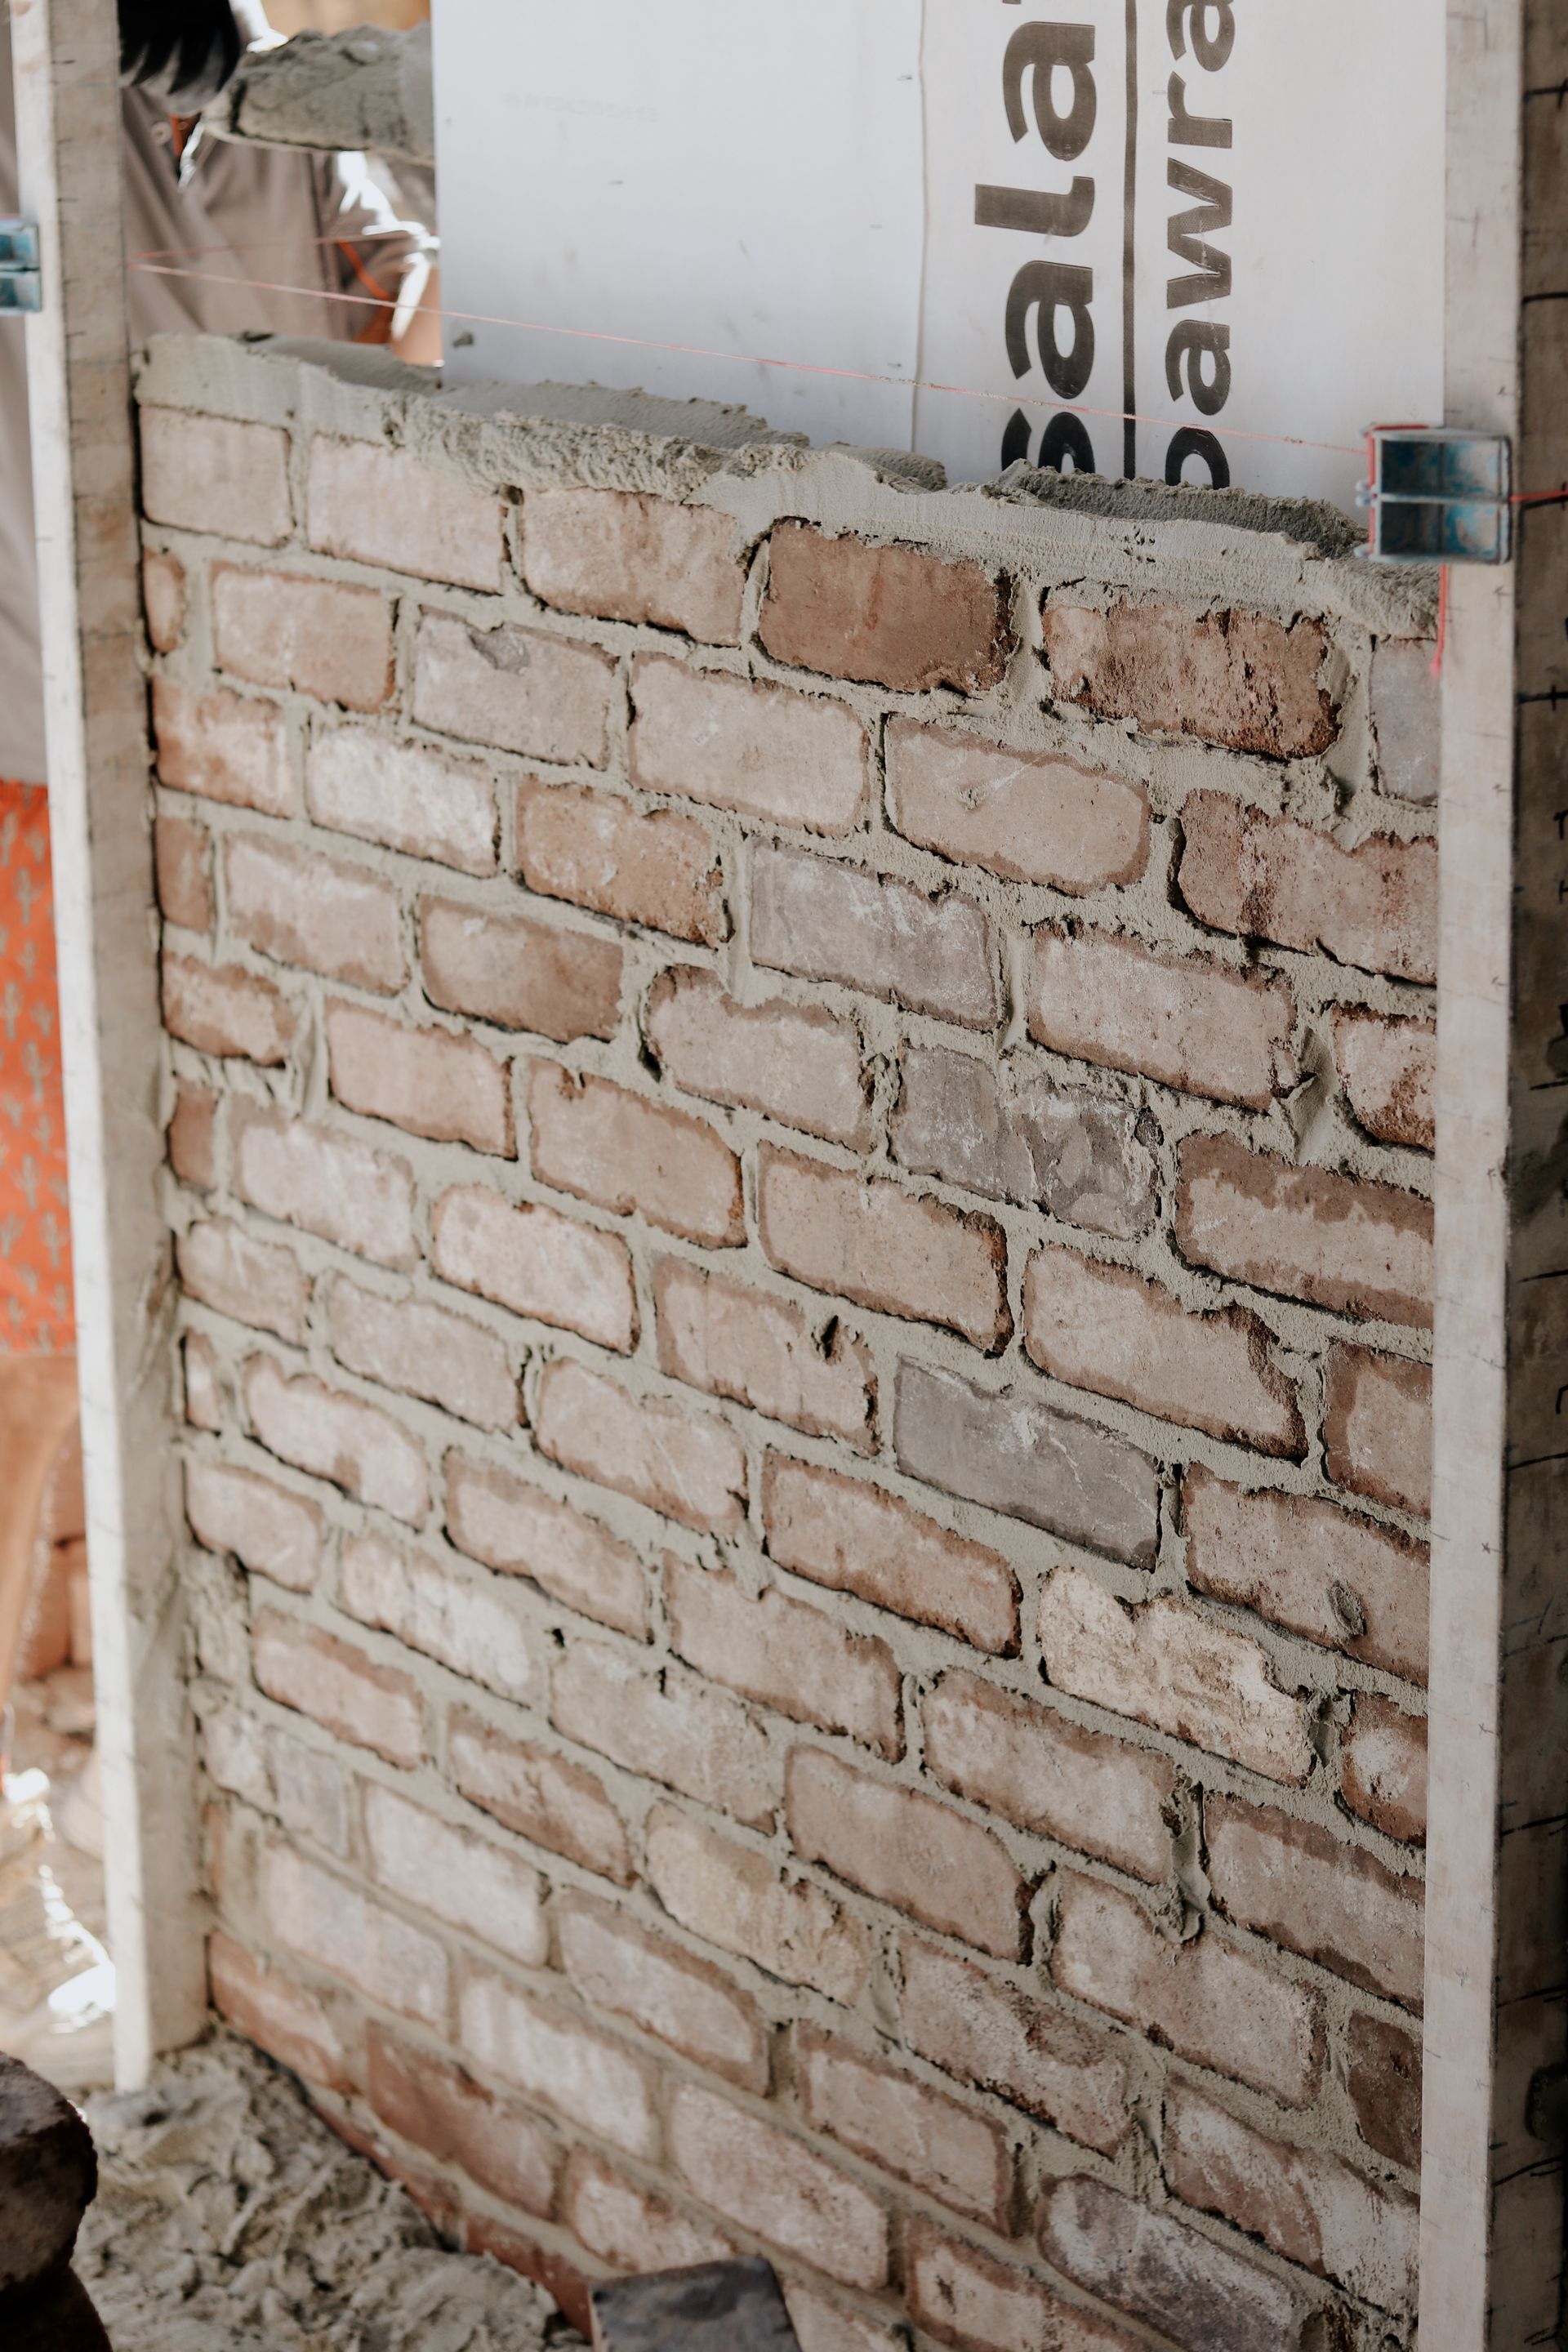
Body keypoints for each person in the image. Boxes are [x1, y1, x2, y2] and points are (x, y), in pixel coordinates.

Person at [0, 0, 434, 2087]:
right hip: (40, 770)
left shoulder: (267, 94)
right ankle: (30, 1806)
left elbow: (447, 270)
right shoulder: (20, 101)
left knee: (187, 1283)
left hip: (269, 763)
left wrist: (303, 94)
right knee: (29, 1320)